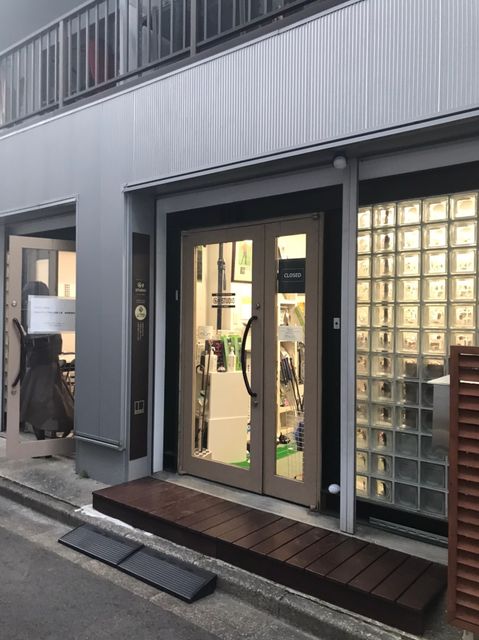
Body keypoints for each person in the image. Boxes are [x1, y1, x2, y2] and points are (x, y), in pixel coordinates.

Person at [14, 281, 74, 440]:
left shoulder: (36, 314)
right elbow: (57, 342)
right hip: (45, 364)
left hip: (40, 365)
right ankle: (48, 438)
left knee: (40, 403)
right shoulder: (45, 313)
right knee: (49, 402)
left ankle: (46, 439)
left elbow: (51, 342)